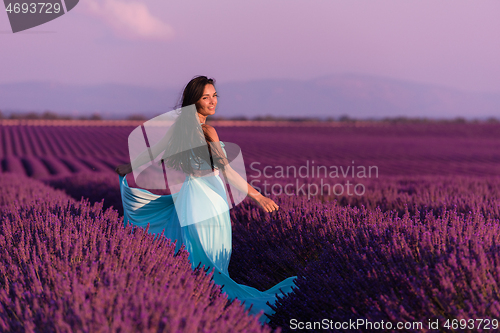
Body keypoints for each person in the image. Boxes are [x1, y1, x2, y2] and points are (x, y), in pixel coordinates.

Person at [115, 76, 296, 324]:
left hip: (189, 202)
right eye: (205, 97)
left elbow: (151, 155)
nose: (212, 101)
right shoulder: (208, 131)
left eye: (214, 96)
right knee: (214, 261)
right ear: (194, 102)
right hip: (211, 204)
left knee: (196, 259)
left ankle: (200, 312)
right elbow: (228, 173)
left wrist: (126, 168)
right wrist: (258, 197)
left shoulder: (177, 133)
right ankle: (220, 313)